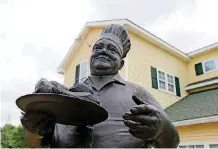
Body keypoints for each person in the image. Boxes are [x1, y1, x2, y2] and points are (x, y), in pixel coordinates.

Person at [21, 24, 180, 148]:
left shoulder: (136, 92)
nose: (103, 51)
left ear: (121, 63)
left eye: (111, 49)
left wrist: (161, 129)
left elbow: (172, 142)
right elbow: (37, 145)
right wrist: (33, 130)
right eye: (98, 47)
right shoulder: (64, 97)